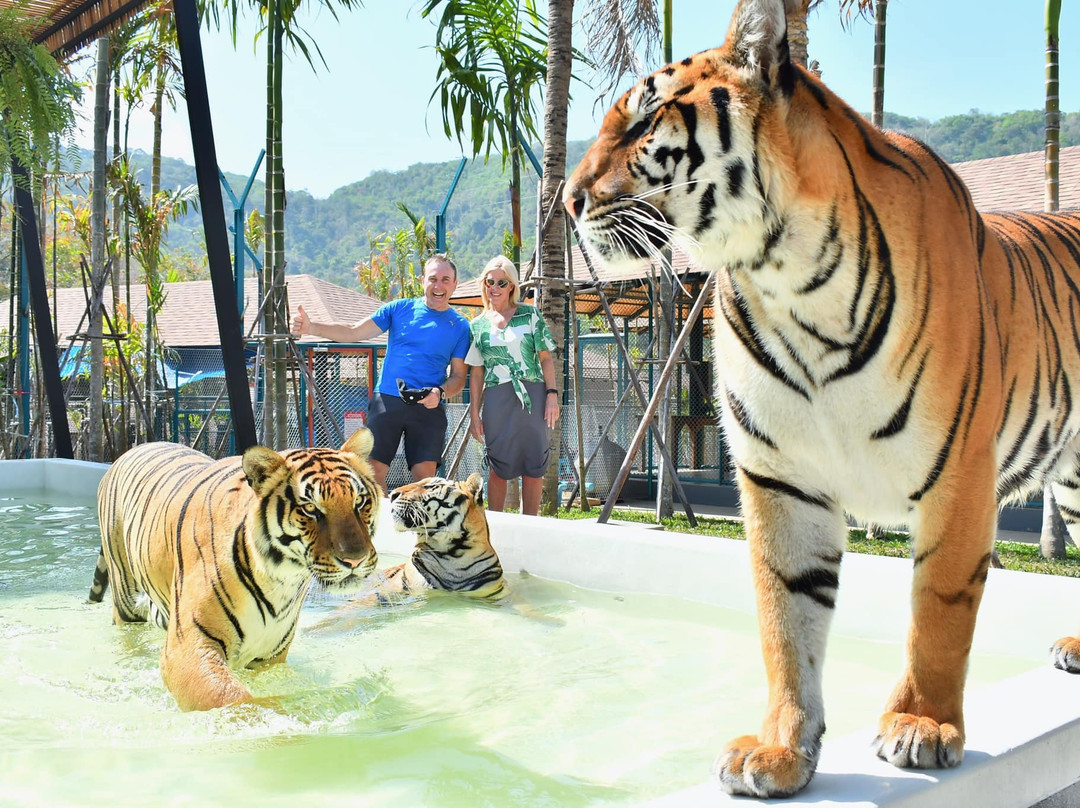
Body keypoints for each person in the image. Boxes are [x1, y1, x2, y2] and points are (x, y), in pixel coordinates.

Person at [291, 254, 470, 493]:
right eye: (433, 279)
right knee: (372, 473)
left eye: (445, 280)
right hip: (388, 399)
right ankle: (384, 525)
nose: (439, 286)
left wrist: (440, 393)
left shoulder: (460, 326)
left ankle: (415, 528)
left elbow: (459, 377)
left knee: (424, 480)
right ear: (422, 281)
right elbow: (354, 331)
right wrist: (311, 327)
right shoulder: (400, 309)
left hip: (429, 405)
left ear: (454, 284)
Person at [466, 255, 560, 516]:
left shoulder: (530, 315)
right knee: (498, 466)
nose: (494, 287)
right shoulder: (477, 325)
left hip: (534, 393)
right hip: (497, 397)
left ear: (512, 287)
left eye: (502, 282)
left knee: (534, 464)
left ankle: (531, 525)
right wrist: (475, 413)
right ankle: (495, 526)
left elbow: (545, 358)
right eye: (490, 281)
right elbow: (476, 372)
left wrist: (552, 395)